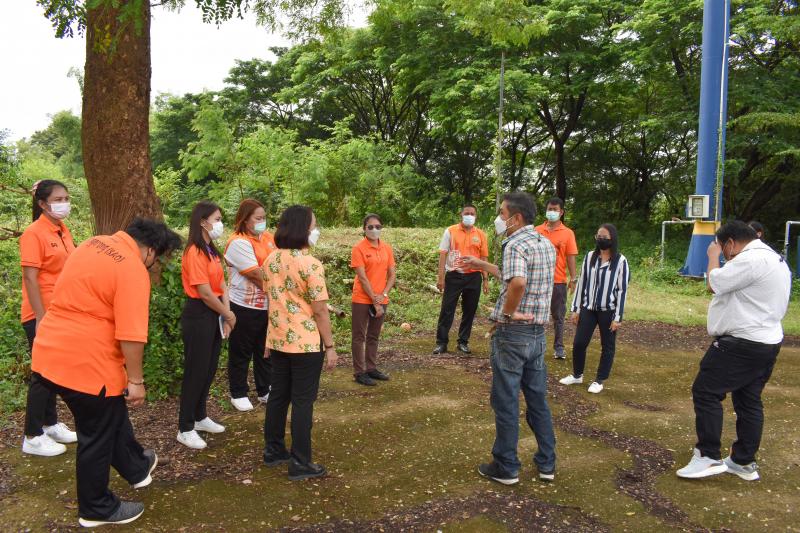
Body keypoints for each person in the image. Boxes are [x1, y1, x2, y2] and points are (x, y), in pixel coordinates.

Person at [31, 218, 181, 527]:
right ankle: (96, 508)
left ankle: (136, 467)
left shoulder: (92, 243)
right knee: (96, 433)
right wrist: (136, 381)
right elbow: (131, 334)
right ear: (150, 251)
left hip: (50, 349)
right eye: (156, 260)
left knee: (110, 415)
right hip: (87, 363)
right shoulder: (132, 268)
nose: (153, 265)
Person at [677, 221, 790, 481]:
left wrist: (712, 256)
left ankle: (707, 456)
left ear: (729, 243)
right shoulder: (775, 259)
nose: (726, 255)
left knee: (706, 391)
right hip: (768, 340)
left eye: (723, 248)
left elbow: (713, 283)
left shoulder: (750, 259)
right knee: (748, 399)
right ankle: (743, 460)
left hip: (741, 342)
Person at [461, 192, 557, 485]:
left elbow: (517, 281)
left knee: (505, 400)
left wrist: (507, 314)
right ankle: (547, 463)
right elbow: (511, 273)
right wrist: (480, 264)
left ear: (516, 218)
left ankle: (506, 466)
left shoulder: (514, 243)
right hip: (537, 334)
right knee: (537, 399)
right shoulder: (544, 242)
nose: (499, 219)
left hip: (513, 334)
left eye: (502, 213)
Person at [262, 205, 338, 481]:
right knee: (303, 401)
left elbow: (271, 300)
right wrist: (330, 346)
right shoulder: (310, 264)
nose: (315, 230)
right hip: (305, 343)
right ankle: (301, 461)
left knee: (278, 396)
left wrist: (269, 338)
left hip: (279, 339)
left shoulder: (270, 260)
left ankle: (273, 450)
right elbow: (320, 310)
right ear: (303, 229)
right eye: (313, 226)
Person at [18, 180, 78, 456]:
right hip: (41, 314)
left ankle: (50, 424)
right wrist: (41, 317)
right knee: (42, 374)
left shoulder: (62, 229)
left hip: (61, 311)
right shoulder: (34, 233)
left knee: (54, 371)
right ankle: (32, 435)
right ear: (42, 204)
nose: (64, 203)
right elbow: (30, 277)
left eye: (66, 198)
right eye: (58, 199)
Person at [177, 201, 235, 450]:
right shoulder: (194, 252)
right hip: (199, 314)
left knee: (209, 368)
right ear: (203, 222)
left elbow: (221, 286)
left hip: (215, 313)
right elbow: (204, 292)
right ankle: (185, 427)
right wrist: (228, 315)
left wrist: (227, 314)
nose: (220, 224)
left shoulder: (212, 250)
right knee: (196, 371)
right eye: (217, 219)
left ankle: (200, 417)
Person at [559, 224, 630, 394]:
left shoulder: (620, 261)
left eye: (604, 237)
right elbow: (582, 283)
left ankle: (599, 380)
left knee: (607, 346)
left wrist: (618, 317)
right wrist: (576, 309)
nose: (600, 239)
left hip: (608, 311)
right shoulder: (590, 257)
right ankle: (577, 375)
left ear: (612, 239)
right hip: (588, 309)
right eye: (598, 236)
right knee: (579, 343)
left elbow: (622, 290)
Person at [224, 199, 276, 411]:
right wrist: (281, 288)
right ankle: (238, 392)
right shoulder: (238, 242)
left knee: (265, 350)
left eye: (264, 217)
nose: (262, 221)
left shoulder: (268, 238)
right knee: (241, 350)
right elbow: (256, 274)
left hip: (267, 305)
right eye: (258, 218)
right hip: (244, 305)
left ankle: (265, 389)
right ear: (245, 220)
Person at [433, 204, 489, 355]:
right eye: (466, 213)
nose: (469, 216)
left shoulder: (481, 234)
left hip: (474, 277)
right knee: (447, 309)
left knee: (469, 310)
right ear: (461, 215)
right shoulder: (450, 231)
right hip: (454, 275)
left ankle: (463, 342)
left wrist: (485, 279)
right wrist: (440, 278)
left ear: (476, 216)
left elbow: (484, 258)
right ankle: (441, 343)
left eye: (472, 213)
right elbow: (443, 254)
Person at [350, 214, 396, 386]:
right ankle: (359, 372)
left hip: (381, 297)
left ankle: (371, 368)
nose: (374, 230)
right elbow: (362, 278)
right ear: (364, 229)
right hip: (362, 298)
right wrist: (375, 300)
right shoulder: (358, 248)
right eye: (370, 227)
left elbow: (392, 275)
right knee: (359, 336)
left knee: (373, 335)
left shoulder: (386, 248)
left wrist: (383, 295)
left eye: (378, 226)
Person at [535, 197, 578, 360]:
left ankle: (559, 347)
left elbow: (571, 257)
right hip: (538, 280)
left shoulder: (568, 233)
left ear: (561, 212)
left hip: (558, 281)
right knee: (535, 314)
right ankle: (535, 345)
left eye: (555, 210)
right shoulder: (536, 230)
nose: (551, 212)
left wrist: (573, 279)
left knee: (558, 316)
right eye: (549, 209)